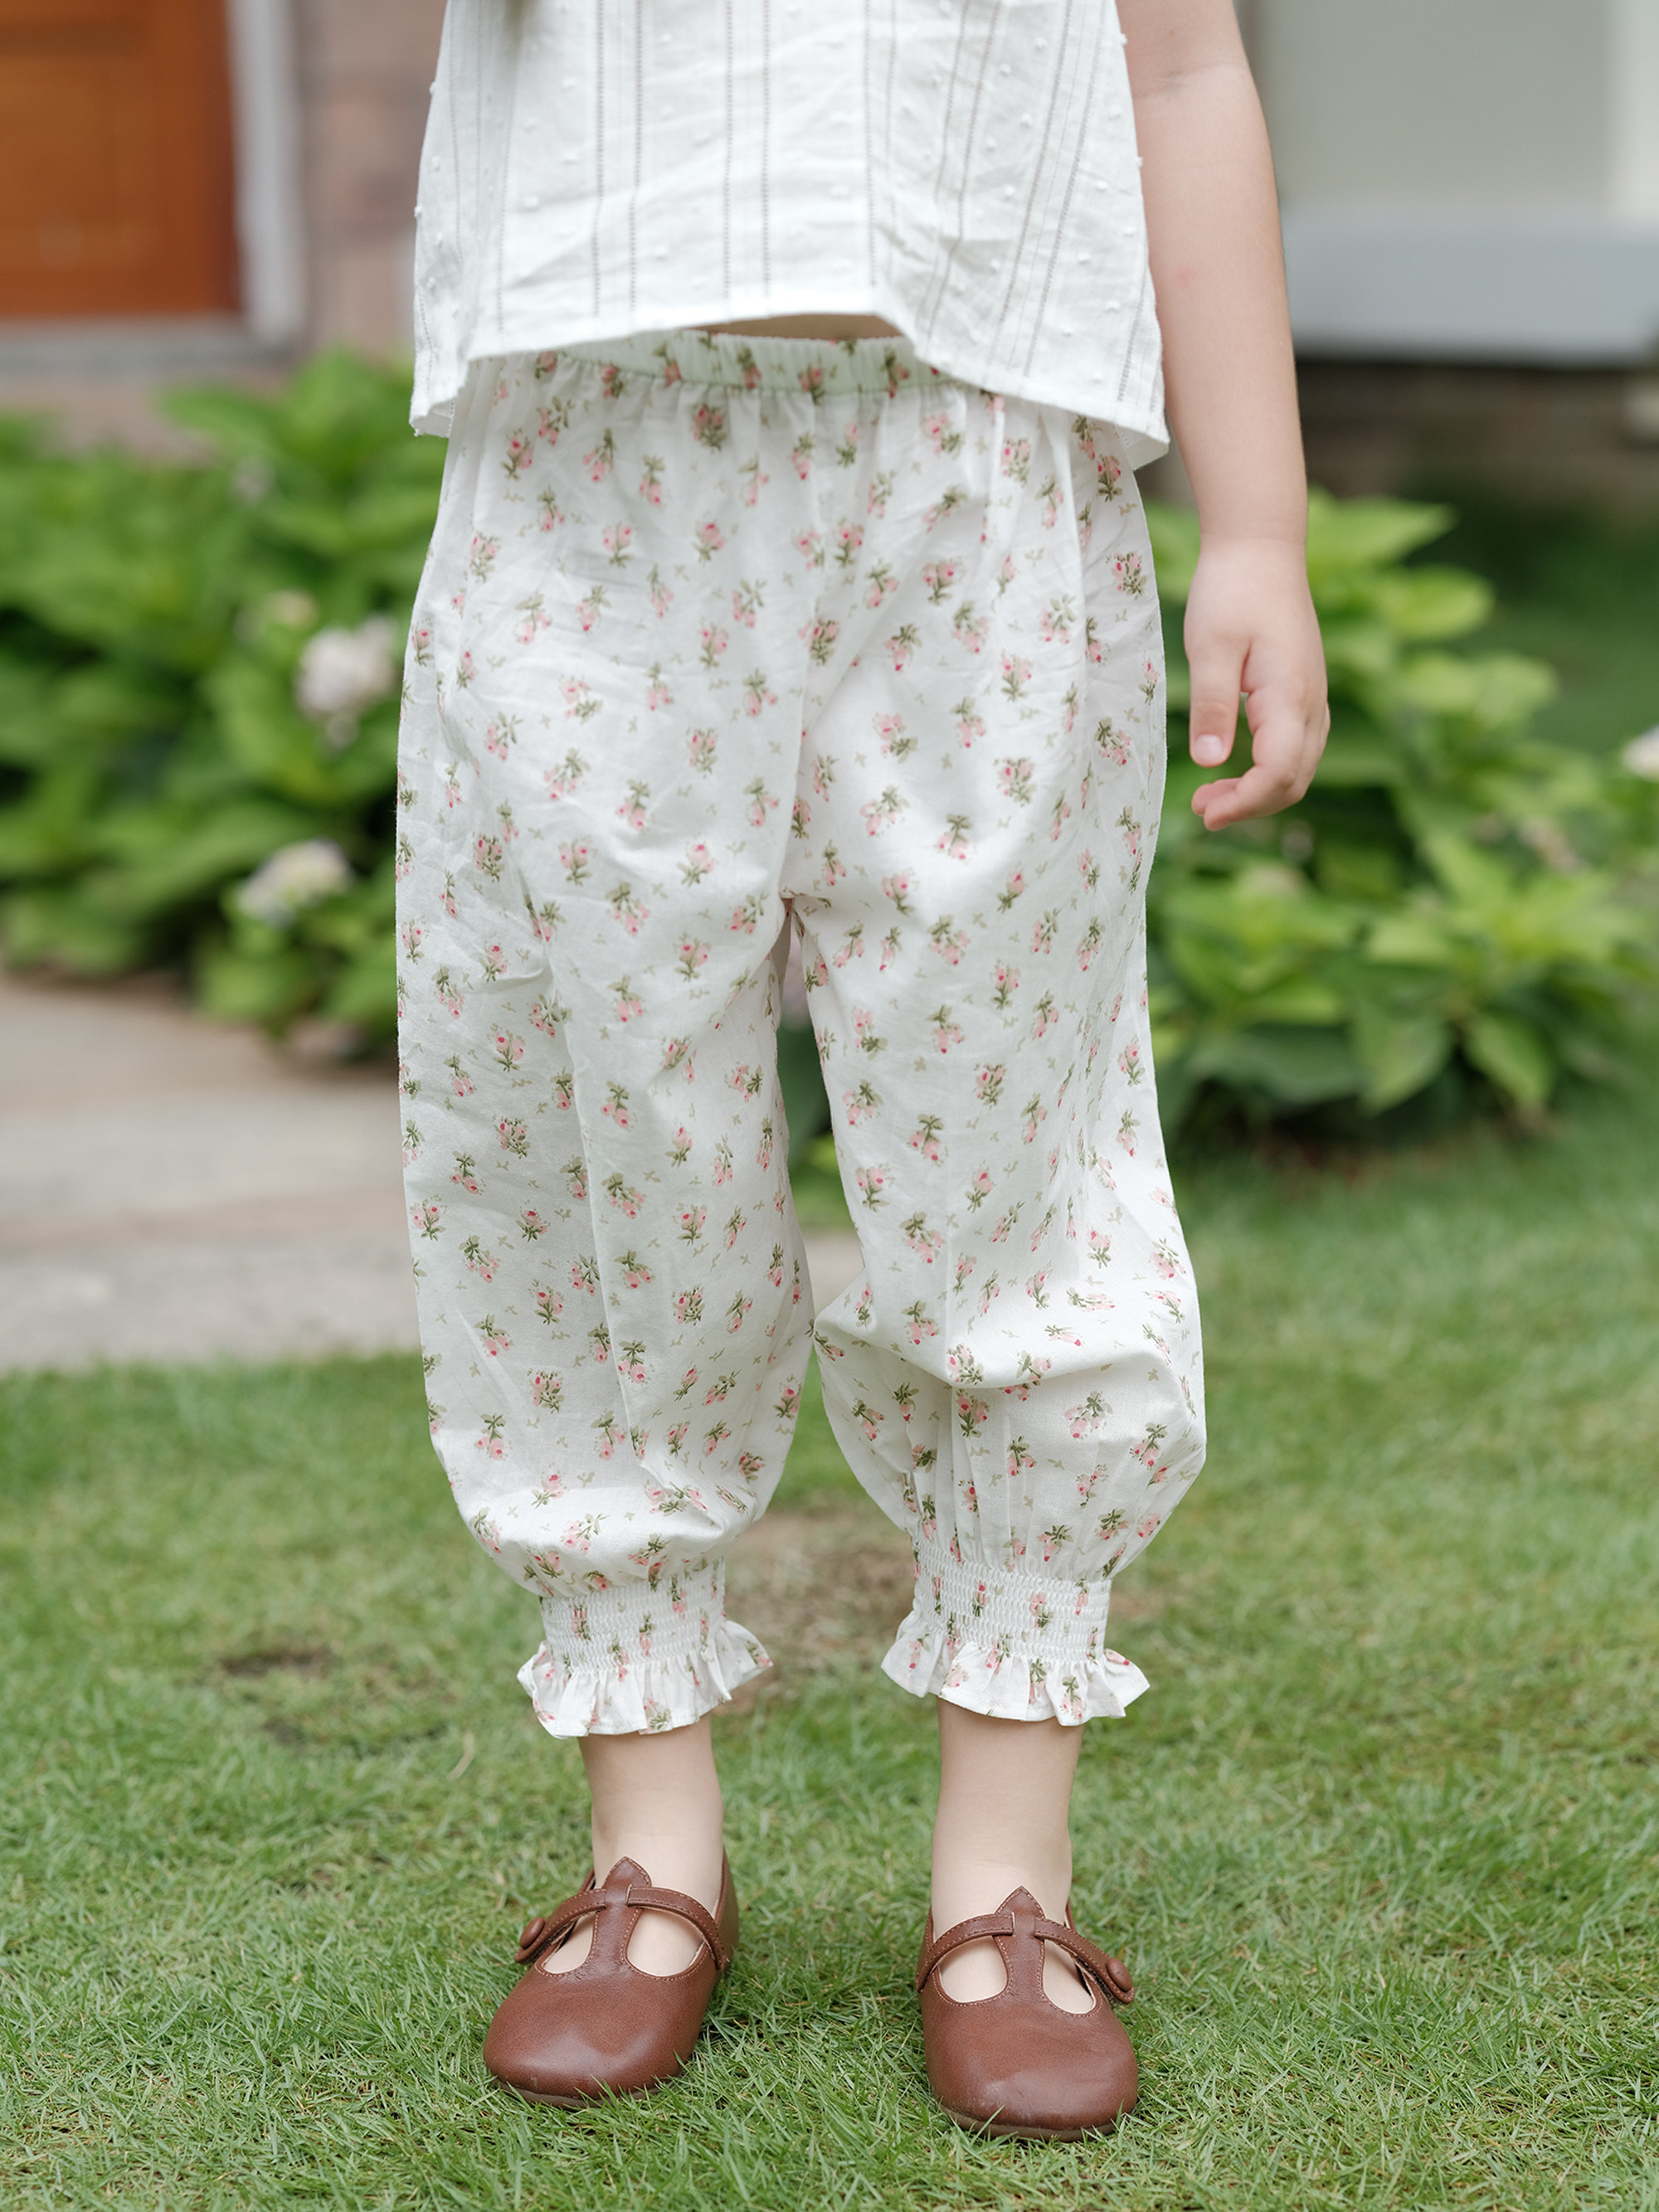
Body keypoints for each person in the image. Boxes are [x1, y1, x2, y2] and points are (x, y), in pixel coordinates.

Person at [397, 0, 1327, 2139]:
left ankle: (1006, 1885)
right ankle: (651, 1848)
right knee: (590, 1125)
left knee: (1011, 1150)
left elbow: (1184, 72)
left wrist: (1258, 529)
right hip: (589, 462)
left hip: (984, 458)